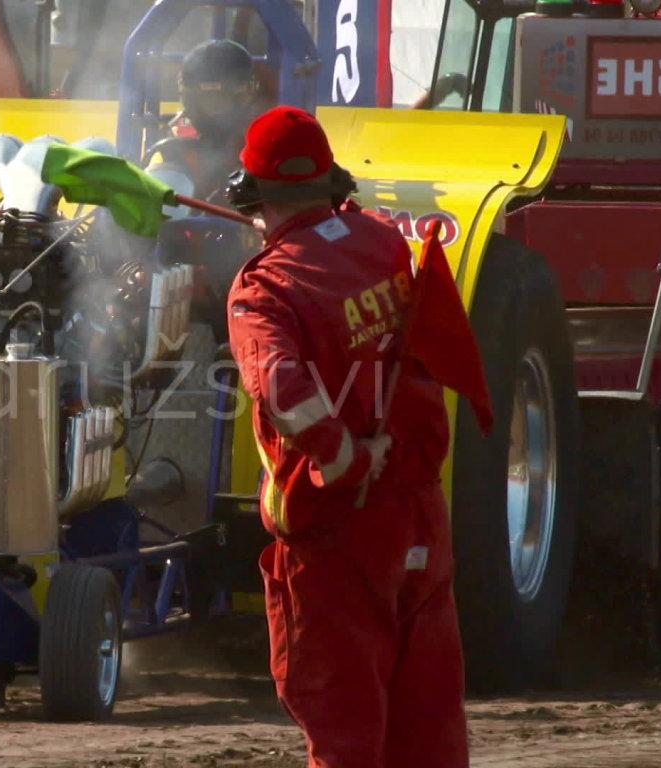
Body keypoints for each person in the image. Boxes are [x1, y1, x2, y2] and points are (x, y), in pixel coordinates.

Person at [224, 105, 469, 767]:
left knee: (346, 740)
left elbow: (280, 390)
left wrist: (343, 457)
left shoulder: (262, 290)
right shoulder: (384, 239)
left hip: (338, 536)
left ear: (255, 199)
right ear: (332, 183)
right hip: (421, 521)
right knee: (430, 735)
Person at [148, 38, 275, 200]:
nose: (212, 109)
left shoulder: (265, 147)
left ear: (244, 97)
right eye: (206, 100)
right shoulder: (172, 150)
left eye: (219, 100)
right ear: (190, 100)